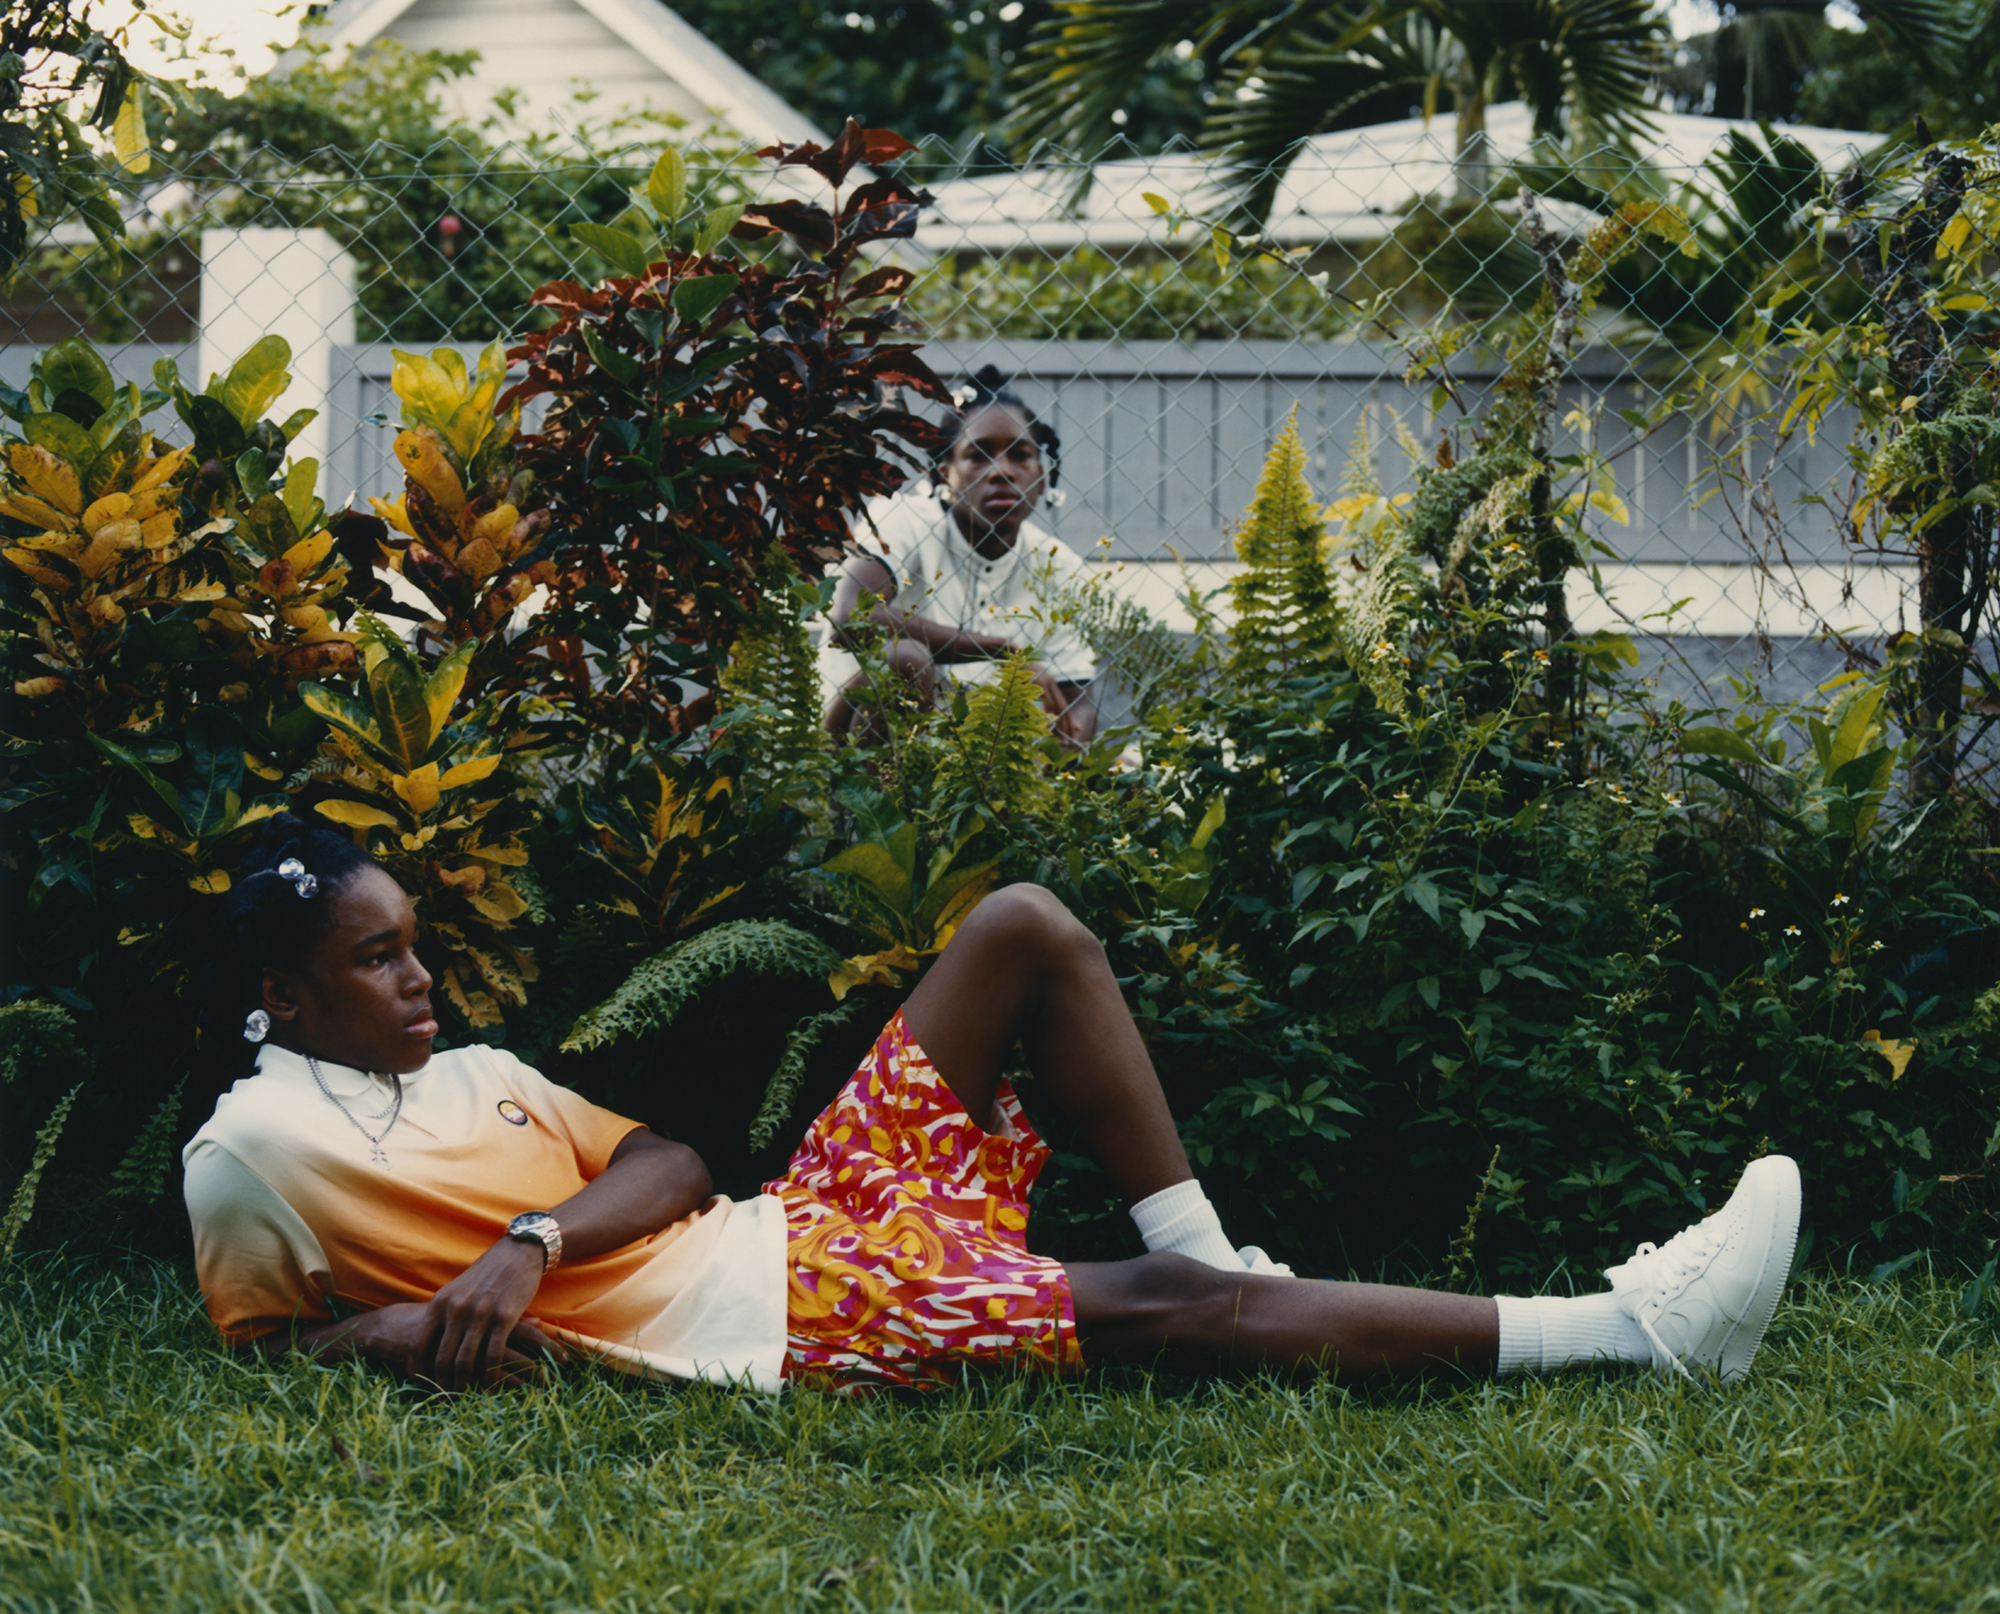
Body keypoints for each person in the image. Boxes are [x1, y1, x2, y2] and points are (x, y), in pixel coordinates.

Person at [184, 816, 1802, 1395]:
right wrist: (395, 1329)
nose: (421, 980)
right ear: (287, 993)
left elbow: (674, 1157)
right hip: (767, 1324)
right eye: (377, 958)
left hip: (780, 1222)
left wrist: (533, 1235)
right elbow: (272, 1341)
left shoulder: (464, 1071)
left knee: (1025, 921)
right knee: (1161, 1308)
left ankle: (1234, 1263)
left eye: (415, 946)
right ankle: (1635, 1329)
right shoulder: (257, 1148)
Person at [819, 366, 1100, 749]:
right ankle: (866, 806)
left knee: (1126, 776)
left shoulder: (1059, 565)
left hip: (982, 758)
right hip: (855, 739)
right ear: (943, 473)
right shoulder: (905, 520)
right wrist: (1004, 651)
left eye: (1020, 455)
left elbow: (1077, 700)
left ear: (1042, 475)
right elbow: (850, 615)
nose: (1002, 472)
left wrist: (1064, 757)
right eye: (978, 456)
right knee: (906, 659)